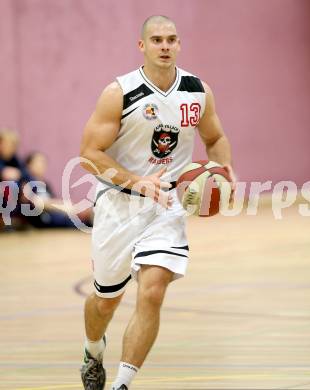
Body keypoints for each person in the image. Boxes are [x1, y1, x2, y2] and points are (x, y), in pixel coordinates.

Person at [79, 15, 235, 390]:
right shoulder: (119, 92)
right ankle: (92, 349)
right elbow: (89, 153)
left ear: (179, 44)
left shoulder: (198, 91)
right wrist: (135, 181)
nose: (165, 46)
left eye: (171, 39)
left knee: (153, 290)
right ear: (142, 46)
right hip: (119, 204)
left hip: (166, 205)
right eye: (157, 40)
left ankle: (121, 384)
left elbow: (215, 138)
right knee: (105, 302)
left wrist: (223, 173)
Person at [23, 151, 92, 228]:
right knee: (79, 221)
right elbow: (38, 203)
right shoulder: (27, 183)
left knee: (83, 218)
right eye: (38, 162)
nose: (41, 165)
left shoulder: (45, 184)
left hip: (52, 214)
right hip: (41, 218)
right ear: (29, 165)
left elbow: (51, 200)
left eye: (43, 162)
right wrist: (62, 206)